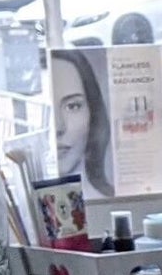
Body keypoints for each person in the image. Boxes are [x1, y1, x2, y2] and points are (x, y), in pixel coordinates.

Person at [44, 44, 114, 201]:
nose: (59, 127)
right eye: (50, 108)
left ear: (93, 112)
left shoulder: (108, 199)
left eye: (72, 106)